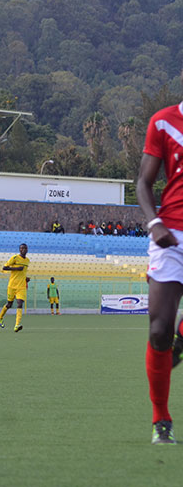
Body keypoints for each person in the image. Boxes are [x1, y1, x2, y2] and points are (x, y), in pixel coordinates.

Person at [136, 95, 183, 444]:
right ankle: (160, 420)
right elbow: (143, 182)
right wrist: (154, 223)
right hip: (171, 236)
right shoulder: (163, 121)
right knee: (158, 330)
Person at [0, 243, 30, 333]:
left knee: (19, 303)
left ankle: (17, 325)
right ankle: (0, 317)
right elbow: (4, 267)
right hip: (12, 285)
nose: (23, 249)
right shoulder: (15, 258)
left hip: (21, 286)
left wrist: (26, 278)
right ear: (19, 250)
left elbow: (23, 273)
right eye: (21, 248)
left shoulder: (27, 260)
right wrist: (16, 269)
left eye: (25, 248)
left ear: (27, 250)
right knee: (9, 304)